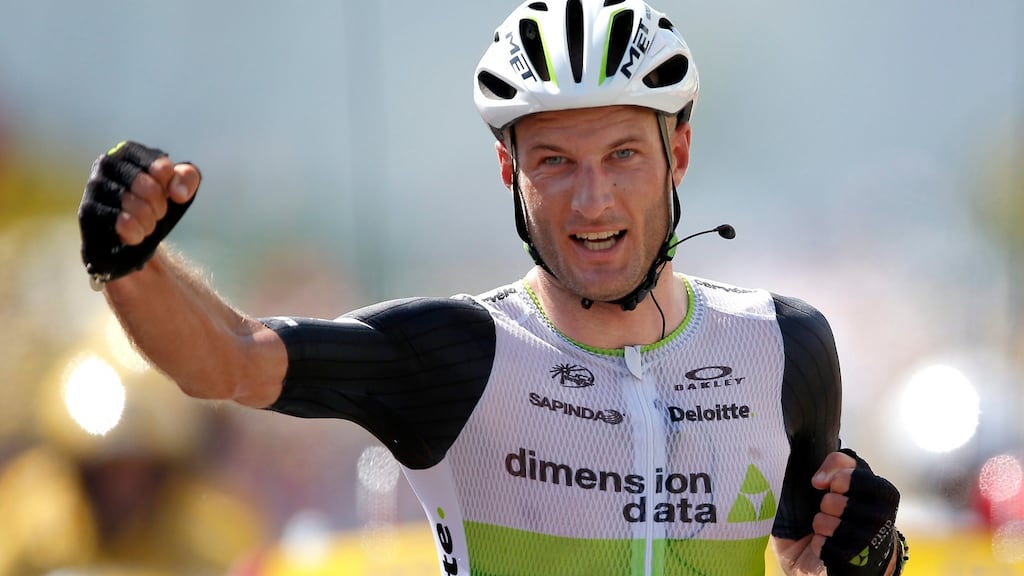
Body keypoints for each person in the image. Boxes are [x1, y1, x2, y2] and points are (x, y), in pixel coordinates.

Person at [75, 1, 908, 574]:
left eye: (623, 154)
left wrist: (870, 551)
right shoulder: (459, 356)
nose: (593, 201)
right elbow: (229, 361)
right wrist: (130, 262)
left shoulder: (781, 346)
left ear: (677, 156)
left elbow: (814, 556)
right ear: (509, 171)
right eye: (554, 162)